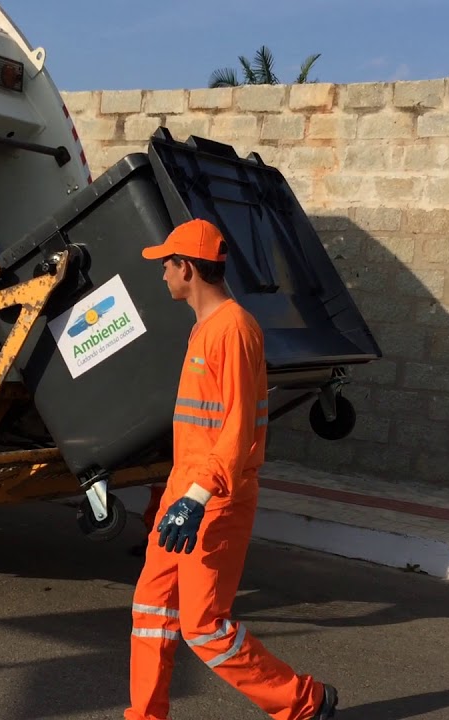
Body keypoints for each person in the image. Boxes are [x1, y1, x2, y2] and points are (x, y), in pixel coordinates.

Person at [125, 218, 338, 720]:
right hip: (186, 497)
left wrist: (195, 501)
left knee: (203, 626)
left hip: (213, 501)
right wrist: (170, 497)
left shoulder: (234, 330)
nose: (162, 276)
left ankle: (304, 702)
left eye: (166, 265)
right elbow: (201, 429)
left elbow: (238, 430)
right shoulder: (207, 328)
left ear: (188, 269)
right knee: (152, 611)